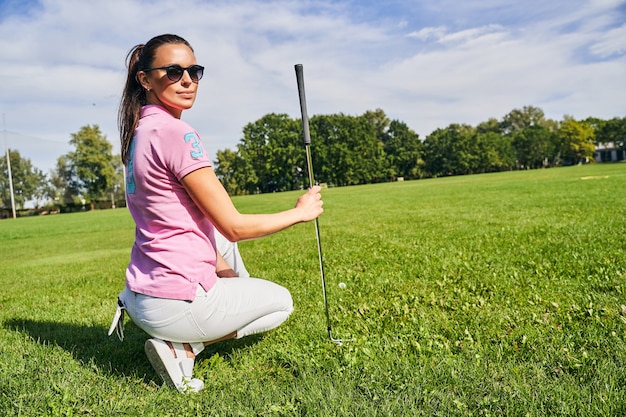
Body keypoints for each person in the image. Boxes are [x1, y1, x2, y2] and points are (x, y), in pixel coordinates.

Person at [110, 33, 323, 393]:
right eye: (173, 72)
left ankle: (194, 324)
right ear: (145, 79)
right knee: (281, 303)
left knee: (217, 237)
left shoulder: (139, 132)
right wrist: (299, 212)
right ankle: (185, 346)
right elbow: (235, 226)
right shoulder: (175, 132)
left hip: (143, 295)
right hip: (176, 303)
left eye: (194, 71)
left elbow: (218, 232)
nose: (188, 80)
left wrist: (232, 281)